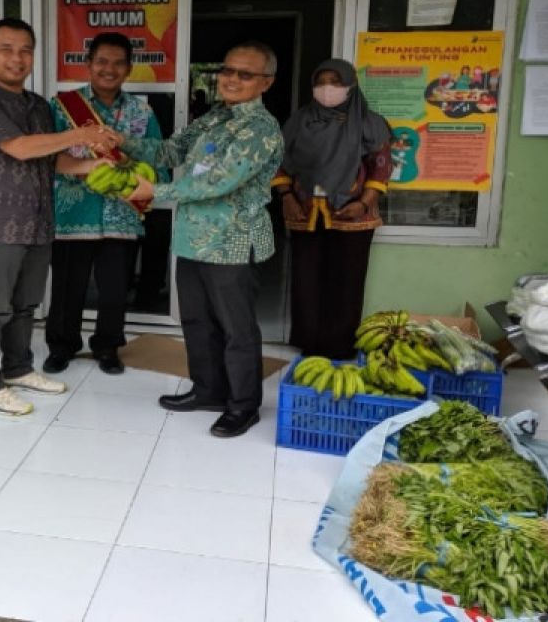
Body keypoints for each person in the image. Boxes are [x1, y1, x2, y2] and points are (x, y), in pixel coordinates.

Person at [0, 18, 119, 416]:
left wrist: (102, 162)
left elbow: (53, 160)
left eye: (25, 50)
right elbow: (16, 147)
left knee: (26, 304)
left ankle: (16, 369)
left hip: (40, 220)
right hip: (0, 221)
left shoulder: (38, 105)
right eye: (6, 49)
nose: (17, 58)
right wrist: (81, 134)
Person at [124, 42, 283, 438]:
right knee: (196, 320)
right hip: (193, 238)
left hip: (232, 240)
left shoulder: (260, 129)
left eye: (244, 74)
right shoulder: (214, 117)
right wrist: (120, 141)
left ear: (266, 83)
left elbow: (220, 180)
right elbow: (168, 151)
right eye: (227, 70)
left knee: (236, 327)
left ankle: (243, 405)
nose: (231, 79)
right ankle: (209, 389)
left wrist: (153, 193)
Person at [43, 32, 164, 376]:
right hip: (71, 213)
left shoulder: (143, 112)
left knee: (115, 288)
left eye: (118, 63)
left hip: (123, 214)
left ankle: (108, 346)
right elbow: (47, 157)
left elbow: (158, 160)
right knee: (68, 286)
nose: (109, 69)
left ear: (128, 69)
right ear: (88, 65)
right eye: (102, 62)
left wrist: (136, 174)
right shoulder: (62, 107)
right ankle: (62, 346)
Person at [272, 58, 392, 360]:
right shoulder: (299, 121)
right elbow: (277, 162)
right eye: (321, 82)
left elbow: (381, 167)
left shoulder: (370, 123)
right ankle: (309, 343)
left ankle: (339, 346)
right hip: (304, 210)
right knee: (306, 280)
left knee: (347, 280)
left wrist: (363, 203)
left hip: (353, 213)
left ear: (350, 86)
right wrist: (286, 196)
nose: (328, 89)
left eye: (336, 83)